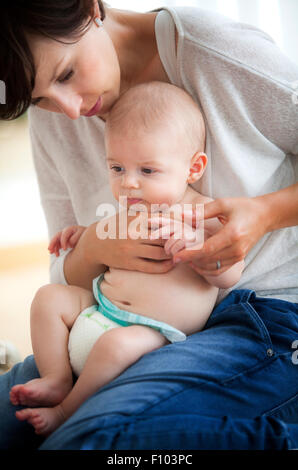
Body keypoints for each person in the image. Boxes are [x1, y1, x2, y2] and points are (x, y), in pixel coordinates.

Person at [0, 0, 298, 450]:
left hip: (269, 317)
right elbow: (64, 270)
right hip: (108, 316)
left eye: (65, 74)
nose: (69, 109)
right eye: (40, 98)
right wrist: (91, 249)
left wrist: (265, 215)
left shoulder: (214, 52)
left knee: (94, 441)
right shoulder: (54, 119)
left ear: (90, 8)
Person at [9, 82, 245, 436]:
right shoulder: (128, 208)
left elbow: (231, 274)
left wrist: (200, 248)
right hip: (100, 308)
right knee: (49, 297)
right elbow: (104, 238)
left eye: (147, 171)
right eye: (117, 168)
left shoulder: (201, 214)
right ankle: (56, 377)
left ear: (193, 168)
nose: (128, 185)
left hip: (154, 333)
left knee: (114, 345)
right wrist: (83, 235)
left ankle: (66, 409)